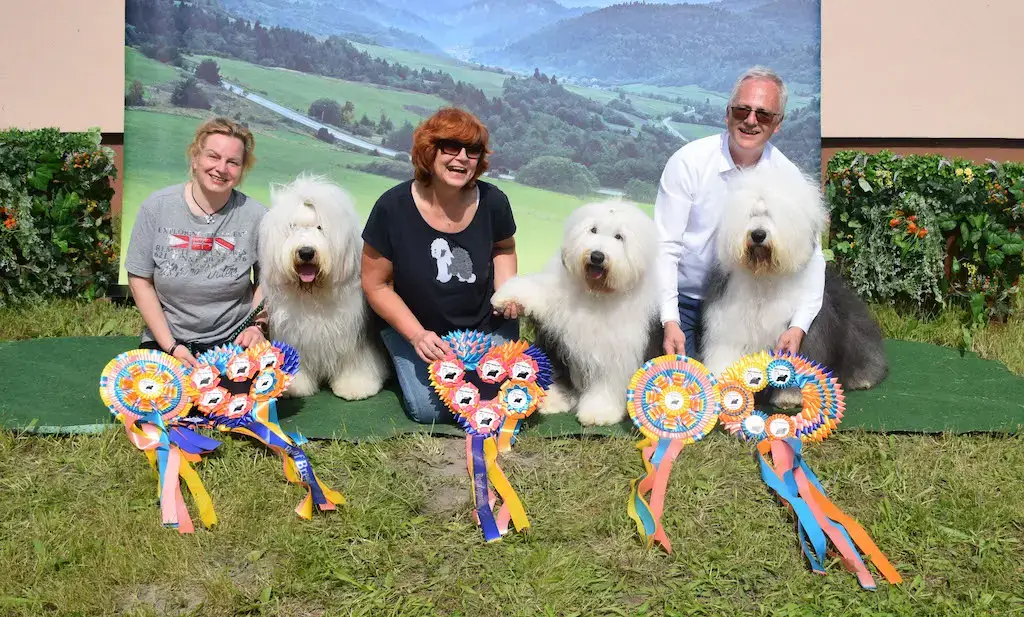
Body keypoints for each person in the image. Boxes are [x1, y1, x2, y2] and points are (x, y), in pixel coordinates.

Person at [361, 107, 519, 424]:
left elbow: (504, 247)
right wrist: (417, 335)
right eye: (451, 147)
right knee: (429, 409)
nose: (462, 158)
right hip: (421, 331)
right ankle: (401, 359)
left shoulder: (494, 201)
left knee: (505, 397)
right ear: (429, 151)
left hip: (485, 325)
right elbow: (375, 284)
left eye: (472, 151)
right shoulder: (391, 207)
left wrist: (507, 290)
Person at [655, 66, 825, 359]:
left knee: (751, 390)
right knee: (687, 389)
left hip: (754, 302)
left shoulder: (789, 178)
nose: (750, 121)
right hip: (686, 301)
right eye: (741, 111)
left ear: (778, 123)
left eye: (763, 115)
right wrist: (669, 320)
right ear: (727, 113)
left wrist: (798, 327)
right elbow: (665, 247)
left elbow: (813, 259)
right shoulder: (688, 162)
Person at [125, 117, 269, 367]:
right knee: (163, 402)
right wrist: (171, 346)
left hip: (234, 343)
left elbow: (267, 281)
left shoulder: (257, 216)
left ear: (242, 169)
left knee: (240, 405)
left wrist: (257, 327)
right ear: (195, 158)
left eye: (233, 162)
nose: (222, 168)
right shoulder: (156, 208)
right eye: (213, 156)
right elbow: (140, 281)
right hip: (169, 341)